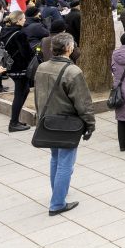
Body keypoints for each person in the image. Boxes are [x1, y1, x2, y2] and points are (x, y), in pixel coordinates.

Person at [33, 33, 95, 216]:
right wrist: (90, 124)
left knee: (55, 159)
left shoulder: (42, 67)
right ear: (69, 48)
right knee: (65, 163)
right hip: (67, 123)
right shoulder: (73, 71)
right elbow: (83, 102)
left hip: (48, 121)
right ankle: (57, 202)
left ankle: (58, 192)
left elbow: (38, 95)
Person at [1, 10, 33, 131]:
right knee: (20, 93)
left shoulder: (4, 31)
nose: (25, 20)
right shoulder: (19, 34)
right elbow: (26, 53)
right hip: (20, 68)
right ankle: (13, 123)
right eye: (23, 18)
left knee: (24, 91)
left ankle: (15, 121)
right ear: (18, 20)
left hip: (10, 66)